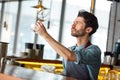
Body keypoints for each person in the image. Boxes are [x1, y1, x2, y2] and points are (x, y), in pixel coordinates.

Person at [34, 10, 101, 80]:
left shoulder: (94, 50)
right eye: (73, 22)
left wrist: (44, 34)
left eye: (78, 23)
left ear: (88, 29)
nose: (73, 25)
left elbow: (70, 56)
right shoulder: (70, 49)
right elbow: (66, 74)